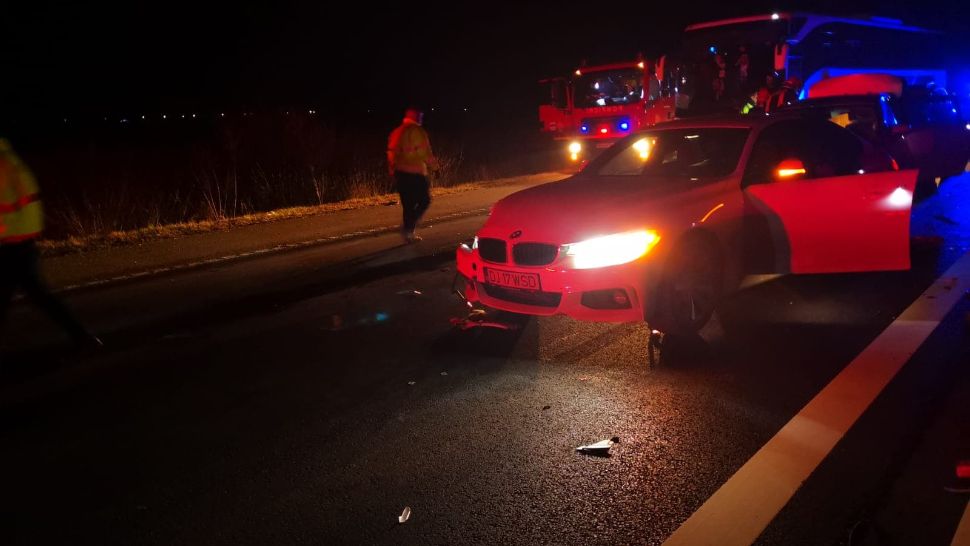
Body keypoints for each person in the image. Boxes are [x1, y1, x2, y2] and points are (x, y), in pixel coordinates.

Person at [0, 138, 101, 351]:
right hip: (23, 243)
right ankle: (82, 338)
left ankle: (82, 338)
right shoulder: (12, 162)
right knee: (41, 298)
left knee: (39, 298)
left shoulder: (2, 166)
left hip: (9, 246)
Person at [387, 107, 438, 243]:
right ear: (416, 117)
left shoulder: (396, 132)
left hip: (400, 174)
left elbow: (391, 154)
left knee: (408, 204)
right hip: (415, 174)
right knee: (424, 201)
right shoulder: (417, 131)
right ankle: (408, 227)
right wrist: (435, 167)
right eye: (420, 117)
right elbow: (424, 152)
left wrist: (392, 171)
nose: (421, 119)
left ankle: (409, 234)